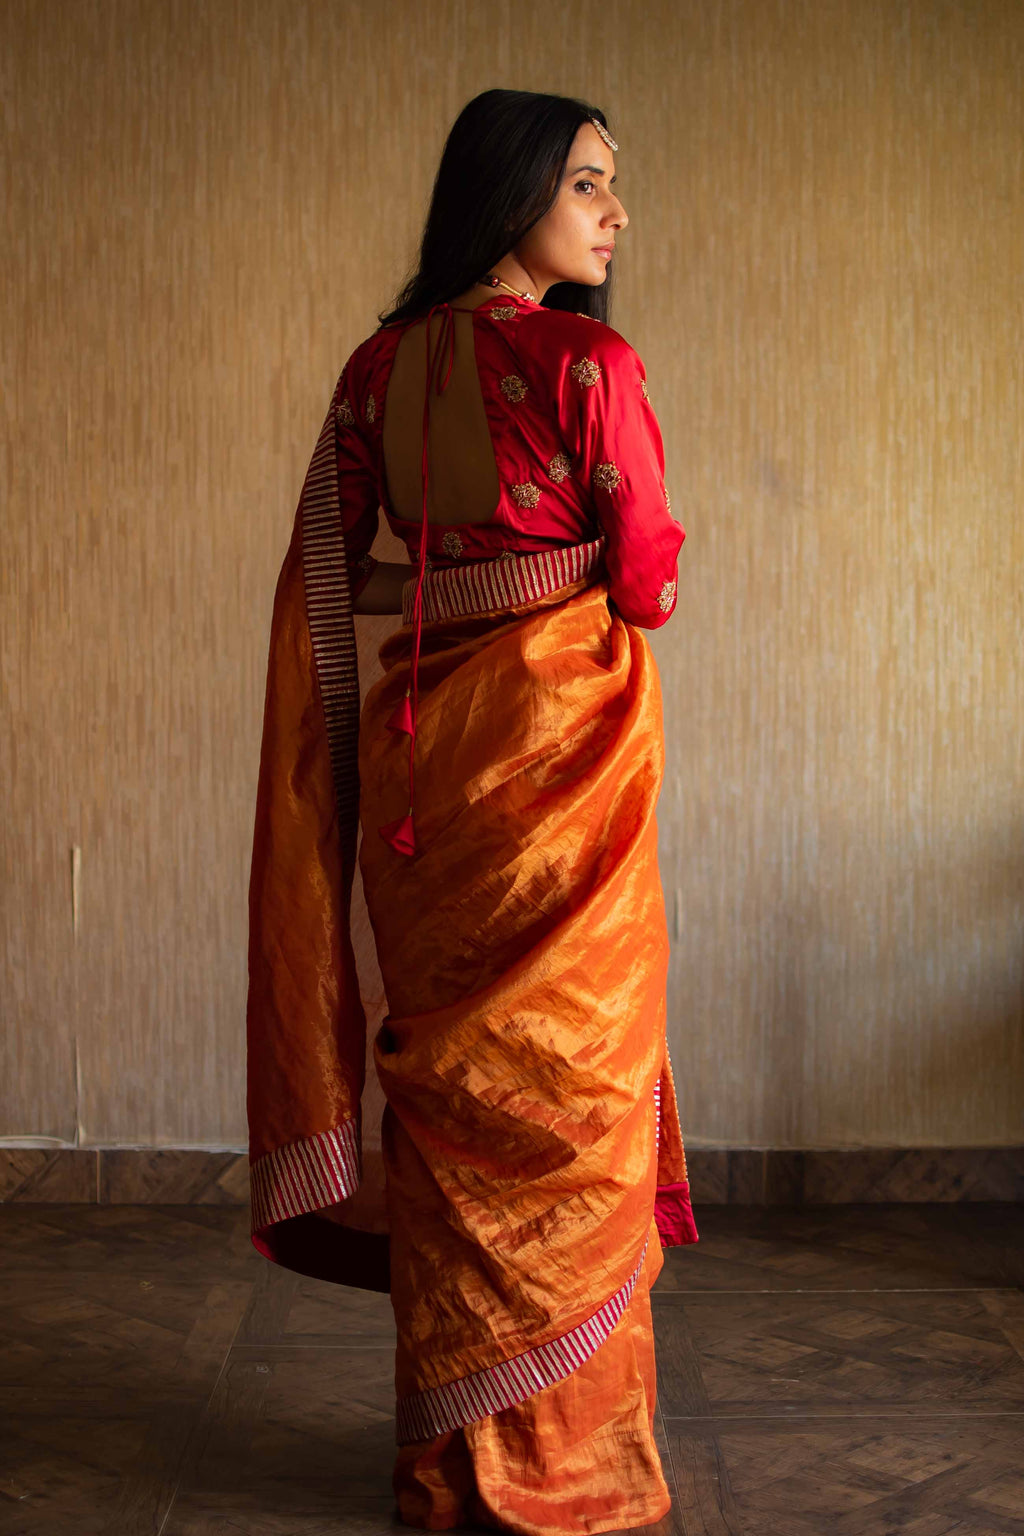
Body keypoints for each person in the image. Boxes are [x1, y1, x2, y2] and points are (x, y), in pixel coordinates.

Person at [246, 87, 699, 1535]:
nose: (615, 211)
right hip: (560, 755)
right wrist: (545, 587)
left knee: (451, 1096)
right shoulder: (587, 366)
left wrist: (458, 591)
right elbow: (652, 582)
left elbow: (332, 578)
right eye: (589, 182)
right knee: (567, 1098)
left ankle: (446, 1467)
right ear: (512, 197)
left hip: (424, 775)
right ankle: (573, 1467)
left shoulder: (378, 371)